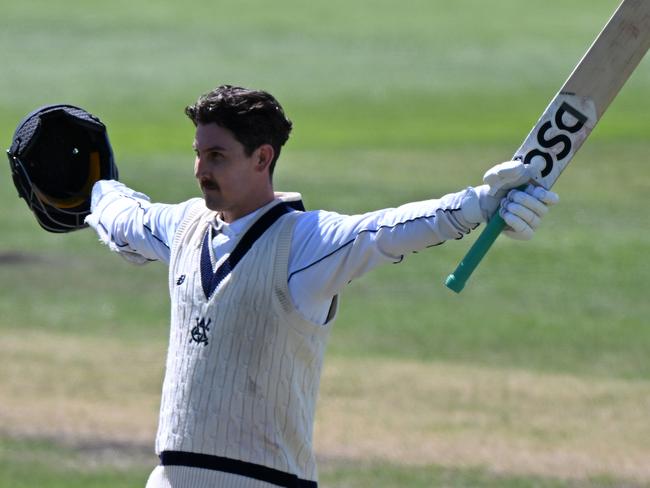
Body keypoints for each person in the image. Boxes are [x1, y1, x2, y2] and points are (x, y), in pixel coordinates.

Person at [85, 84, 558, 488]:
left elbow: (385, 231)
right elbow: (128, 219)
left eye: (216, 156)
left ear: (262, 158)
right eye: (198, 154)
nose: (200, 171)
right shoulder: (186, 224)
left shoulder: (305, 244)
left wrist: (481, 203)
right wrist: (97, 189)